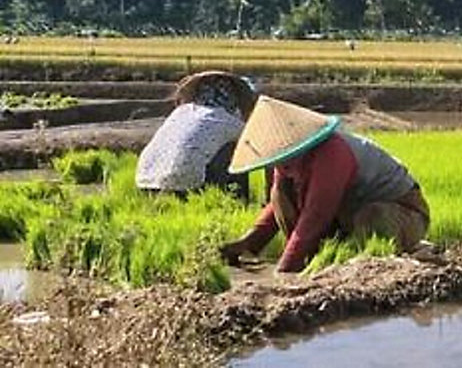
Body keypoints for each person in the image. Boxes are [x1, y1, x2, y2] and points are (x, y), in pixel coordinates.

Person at [219, 96, 431, 273]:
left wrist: (285, 272)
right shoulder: (286, 162)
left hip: (401, 215)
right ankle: (314, 259)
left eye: (281, 162)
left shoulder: (332, 154)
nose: (279, 168)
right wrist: (249, 243)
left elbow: (316, 216)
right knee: (279, 193)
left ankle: (357, 265)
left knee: (372, 217)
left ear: (298, 145)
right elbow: (277, 207)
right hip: (348, 215)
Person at [135, 71, 257, 200]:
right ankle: (237, 200)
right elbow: (253, 145)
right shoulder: (227, 120)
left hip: (145, 181)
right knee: (238, 150)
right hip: (186, 185)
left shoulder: (180, 113)